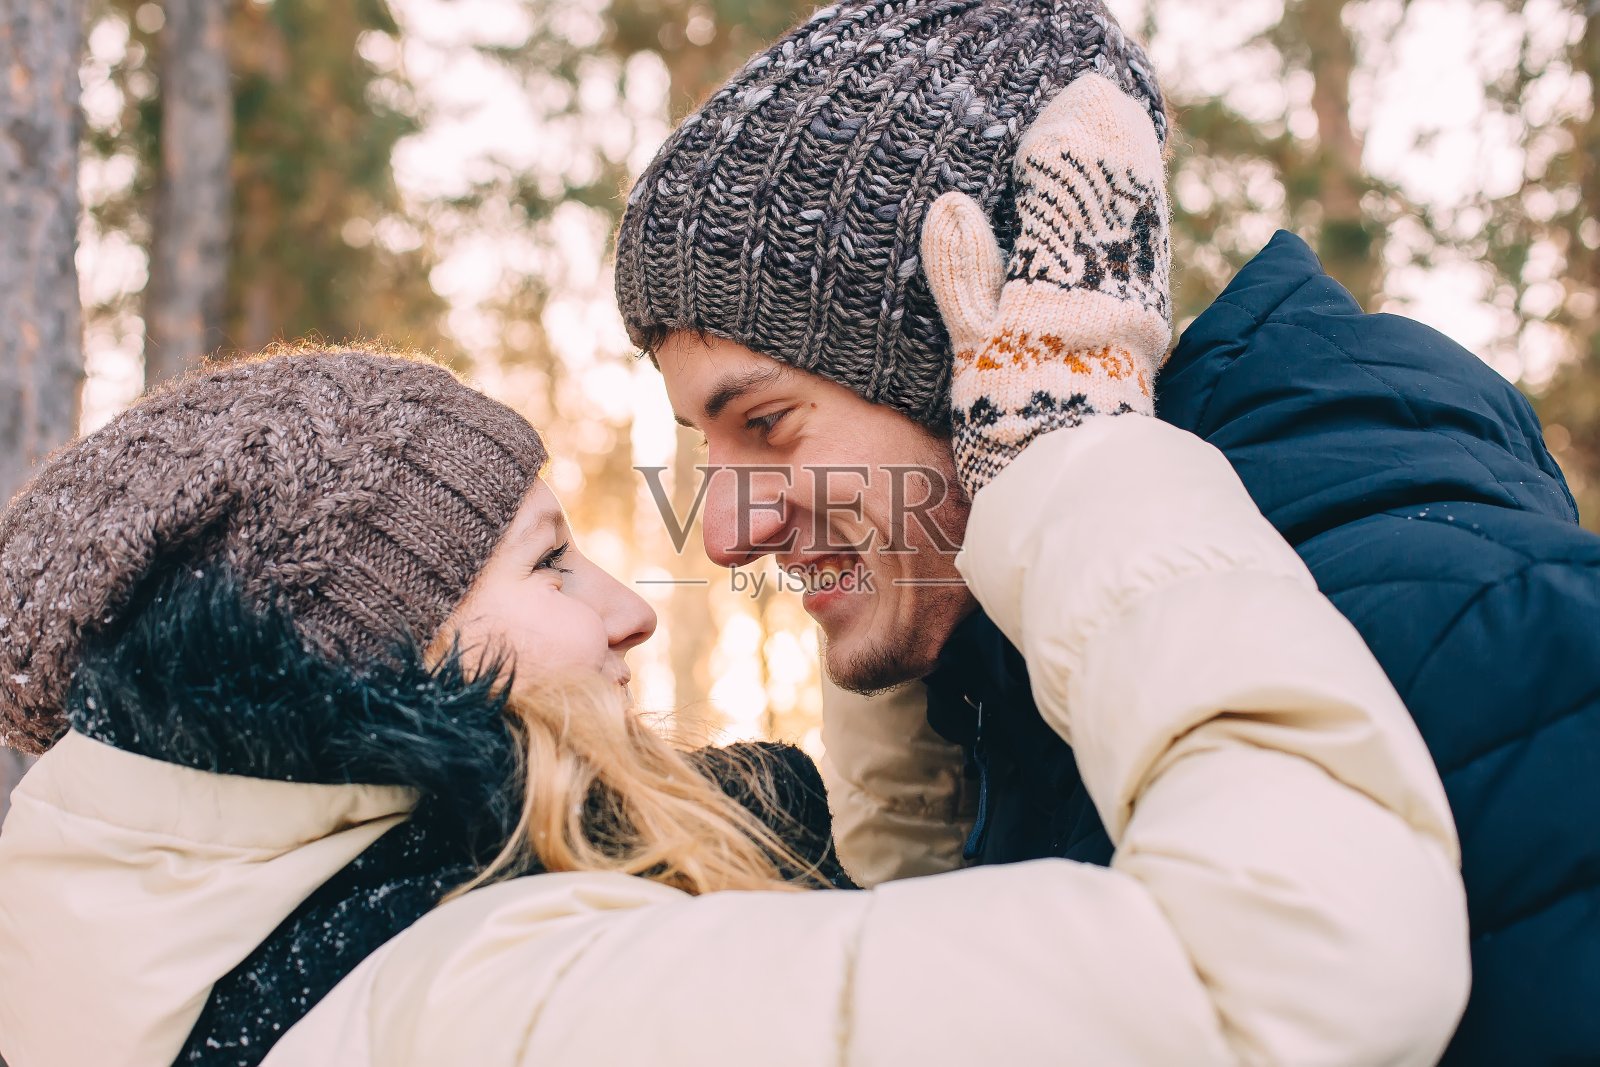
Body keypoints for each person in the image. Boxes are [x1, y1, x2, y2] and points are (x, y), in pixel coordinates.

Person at [0, 80, 1469, 1065]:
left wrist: (899, 614)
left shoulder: (209, 961)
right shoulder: (503, 1007)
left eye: (773, 423)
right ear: (368, 668)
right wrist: (1075, 458)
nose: (640, 600)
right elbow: (1292, 958)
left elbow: (867, 960)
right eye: (551, 561)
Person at [614, 0, 1600, 1060]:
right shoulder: (1023, 690)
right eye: (706, 447)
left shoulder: (1485, 635)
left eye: (765, 422)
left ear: (977, 352)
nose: (721, 532)